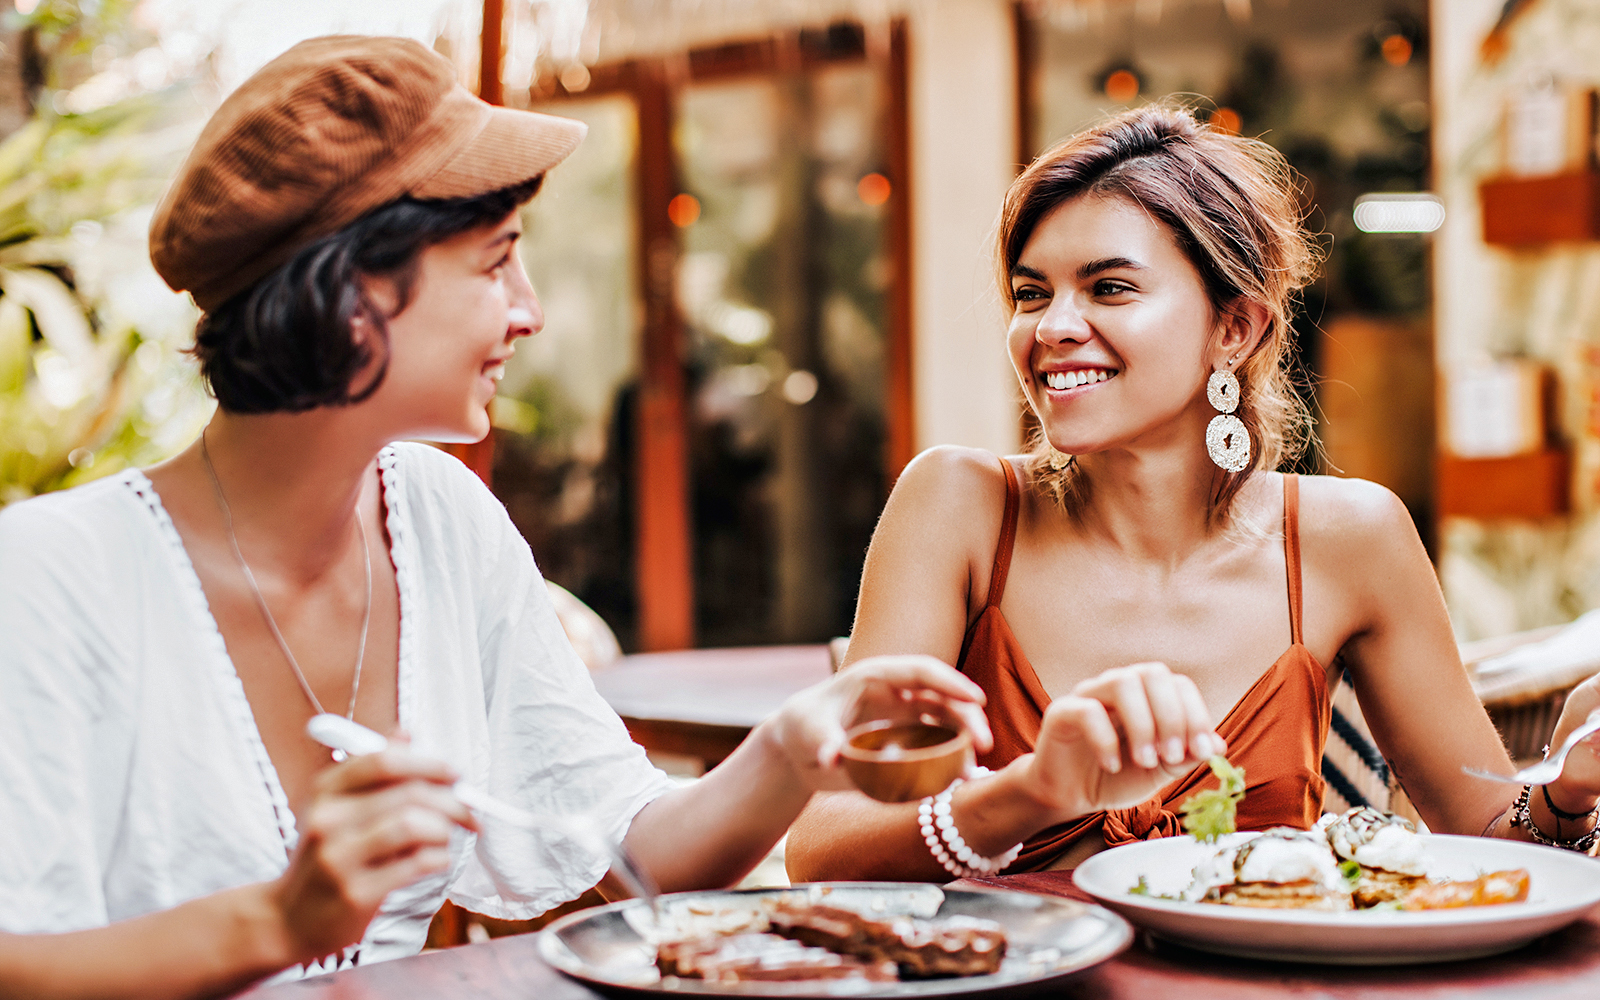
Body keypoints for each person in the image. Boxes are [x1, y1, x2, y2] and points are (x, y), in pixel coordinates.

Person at [0, 36, 1022, 1000]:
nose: (528, 309)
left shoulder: (439, 521)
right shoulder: (49, 580)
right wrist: (277, 921)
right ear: (356, 294)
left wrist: (792, 750)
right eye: (495, 262)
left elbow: (627, 860)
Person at [785, 103, 1600, 883]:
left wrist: (1565, 792)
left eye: (1109, 288)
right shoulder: (958, 506)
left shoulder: (1350, 538)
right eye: (1032, 293)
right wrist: (1031, 793)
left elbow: (1495, 839)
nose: (1052, 326)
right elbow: (823, 846)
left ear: (1233, 328)